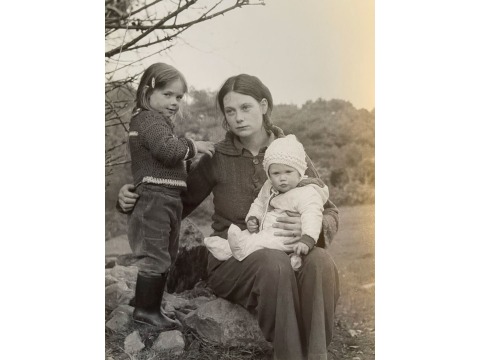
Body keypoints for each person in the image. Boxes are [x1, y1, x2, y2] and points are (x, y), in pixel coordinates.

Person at [118, 74, 340, 360]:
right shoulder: (216, 157)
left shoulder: (290, 152)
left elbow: (329, 209)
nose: (238, 118)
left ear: (263, 106)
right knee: (273, 264)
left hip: (290, 249)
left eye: (245, 108)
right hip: (231, 258)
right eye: (230, 111)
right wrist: (134, 196)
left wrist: (312, 228)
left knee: (321, 261)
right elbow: (174, 200)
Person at [126, 62, 215, 329]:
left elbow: (171, 160)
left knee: (166, 252)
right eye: (168, 95)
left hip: (166, 197)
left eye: (179, 97)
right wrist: (194, 146)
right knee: (155, 254)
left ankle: (150, 303)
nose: (175, 102)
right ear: (147, 93)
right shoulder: (147, 119)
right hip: (154, 198)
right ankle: (145, 311)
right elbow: (167, 151)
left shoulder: (158, 122)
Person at [203, 134, 329, 272]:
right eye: (276, 173)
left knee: (259, 242)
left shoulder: (306, 192)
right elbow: (259, 203)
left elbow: (312, 215)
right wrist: (253, 218)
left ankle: (236, 251)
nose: (282, 178)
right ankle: (228, 246)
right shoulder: (269, 186)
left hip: (285, 235)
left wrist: (307, 239)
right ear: (269, 174)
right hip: (268, 229)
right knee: (250, 236)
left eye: (288, 172)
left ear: (299, 172)